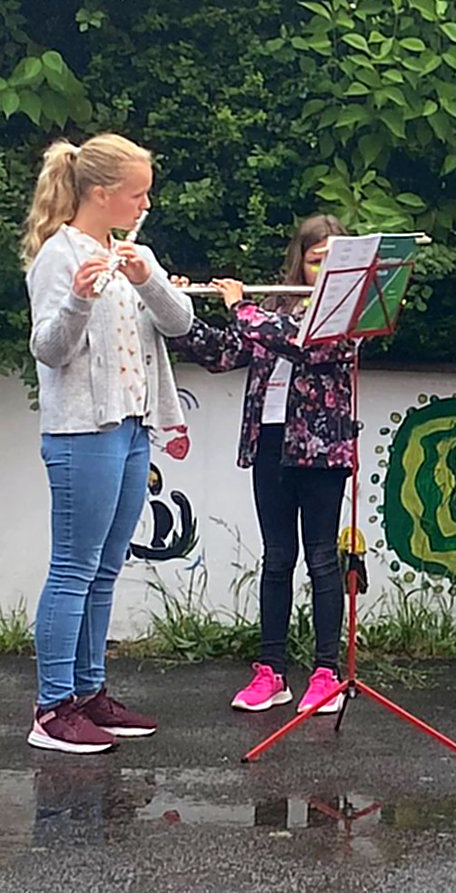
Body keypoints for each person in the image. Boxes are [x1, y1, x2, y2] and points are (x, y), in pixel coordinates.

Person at [22, 134, 194, 753]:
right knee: (72, 568)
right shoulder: (58, 256)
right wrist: (79, 298)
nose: (145, 203)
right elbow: (47, 348)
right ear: (100, 193)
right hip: (80, 431)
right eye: (137, 193)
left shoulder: (127, 252)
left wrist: (149, 278)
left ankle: (90, 692)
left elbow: (180, 324)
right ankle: (52, 708)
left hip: (130, 427)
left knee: (103, 569)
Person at [169, 214, 356, 714]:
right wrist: (176, 308)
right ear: (301, 260)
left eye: (332, 261)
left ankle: (326, 672)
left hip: (322, 449)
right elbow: (221, 352)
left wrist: (242, 308)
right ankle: (271, 672)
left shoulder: (346, 312)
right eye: (316, 260)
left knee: (321, 559)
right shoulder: (274, 308)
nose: (323, 270)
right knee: (276, 559)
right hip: (270, 442)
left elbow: (301, 344)